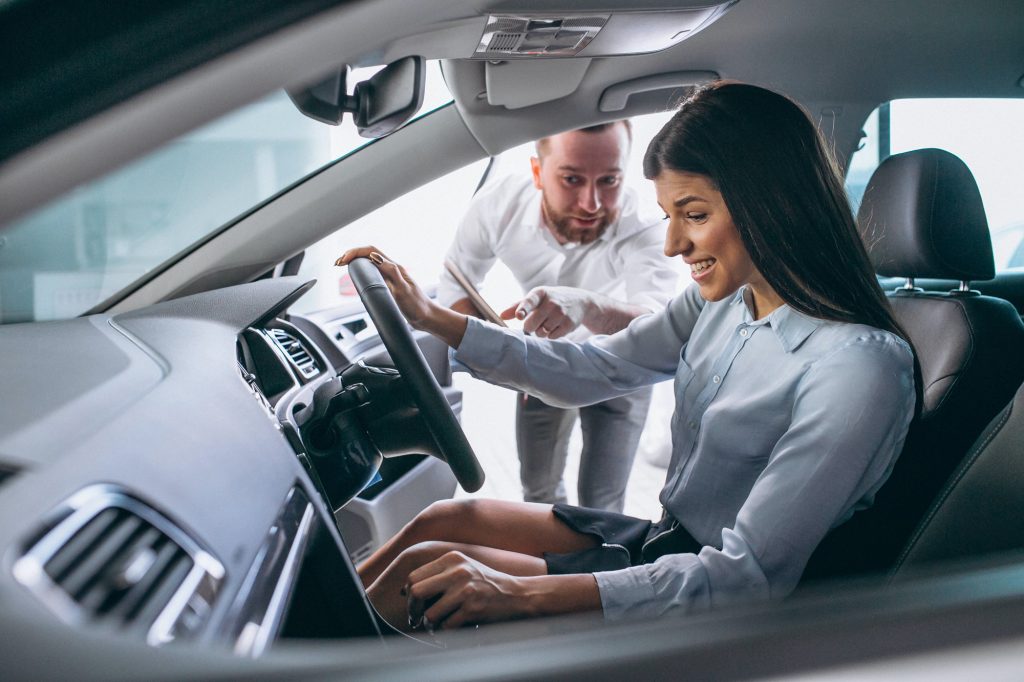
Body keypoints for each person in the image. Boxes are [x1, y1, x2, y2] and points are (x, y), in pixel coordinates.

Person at [336, 82, 917, 631]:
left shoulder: (857, 368)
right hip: (665, 541)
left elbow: (746, 579)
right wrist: (431, 316)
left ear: (769, 202)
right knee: (443, 523)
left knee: (430, 574)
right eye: (670, 217)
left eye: (694, 215)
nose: (672, 245)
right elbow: (592, 369)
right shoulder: (720, 304)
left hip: (717, 600)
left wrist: (514, 593)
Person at [436, 121, 678, 512]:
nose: (591, 203)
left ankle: (595, 568)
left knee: (602, 502)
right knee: (538, 492)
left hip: (624, 362)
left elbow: (659, 325)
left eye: (609, 181)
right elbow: (456, 282)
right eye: (571, 179)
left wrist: (587, 306)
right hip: (543, 361)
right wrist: (505, 352)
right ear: (537, 172)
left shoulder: (645, 221)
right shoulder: (499, 205)